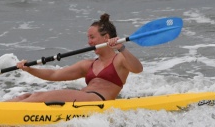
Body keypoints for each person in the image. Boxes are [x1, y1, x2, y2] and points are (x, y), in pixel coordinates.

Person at [9, 13, 143, 102]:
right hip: (82, 99)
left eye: (92, 37)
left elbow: (138, 69)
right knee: (26, 96)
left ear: (106, 37)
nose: (89, 42)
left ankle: (4, 114)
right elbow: (54, 74)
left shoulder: (119, 59)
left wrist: (121, 47)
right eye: (88, 38)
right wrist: (29, 69)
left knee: (39, 96)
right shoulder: (88, 65)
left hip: (98, 101)